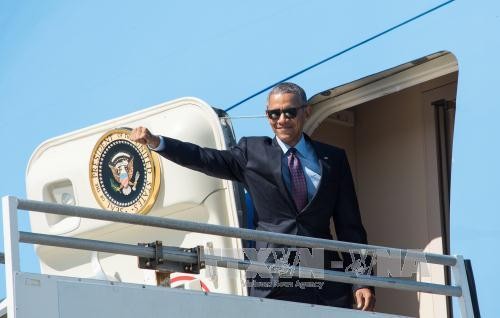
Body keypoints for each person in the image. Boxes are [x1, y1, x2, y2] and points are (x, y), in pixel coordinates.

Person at [130, 82, 375, 311]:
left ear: (306, 112)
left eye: (289, 112)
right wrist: (157, 142)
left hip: (325, 278)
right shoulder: (252, 152)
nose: (282, 120)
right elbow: (203, 157)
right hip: (273, 279)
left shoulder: (333, 159)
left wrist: (362, 281)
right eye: (274, 114)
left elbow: (350, 227)